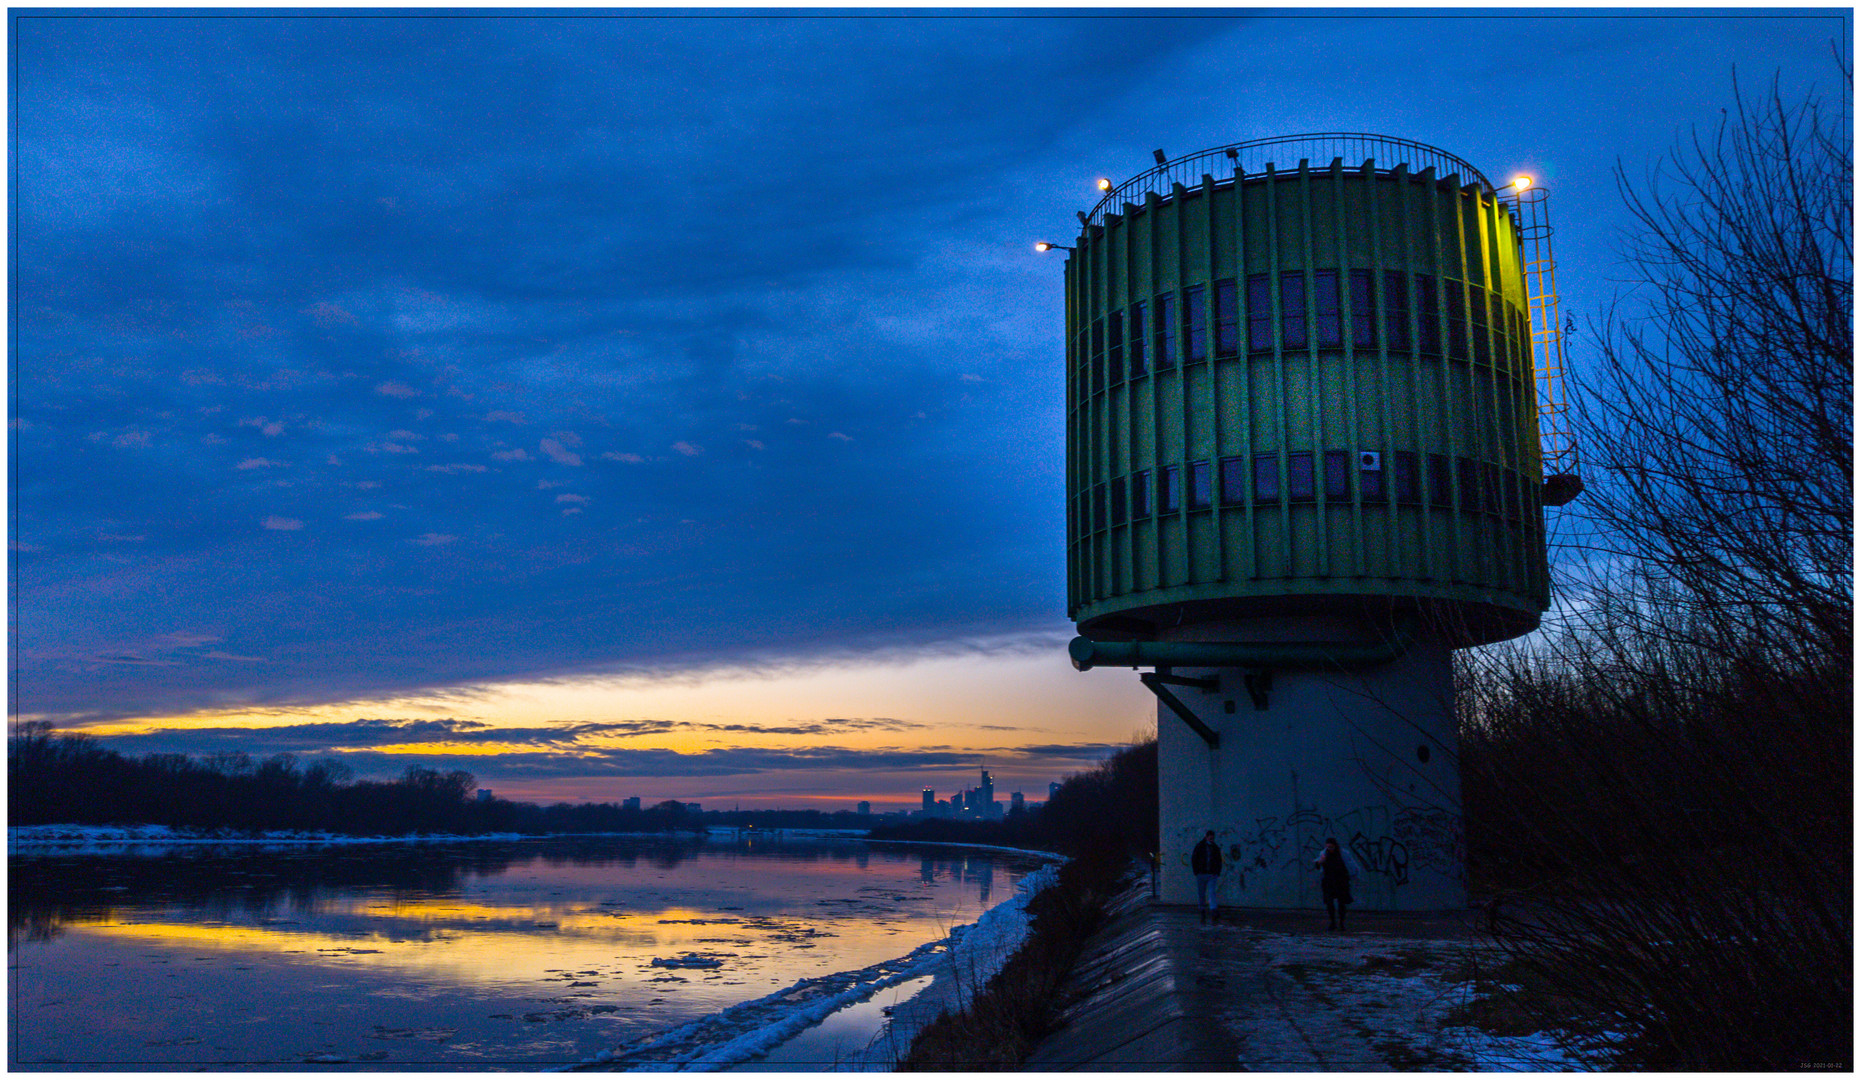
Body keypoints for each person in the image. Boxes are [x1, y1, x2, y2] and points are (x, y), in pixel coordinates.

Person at [1314, 837, 1355, 930]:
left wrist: (1350, 876)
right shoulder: (1324, 854)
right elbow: (1318, 864)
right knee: (1329, 903)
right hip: (1329, 881)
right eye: (1328, 847)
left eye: (1331, 847)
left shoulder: (1343, 854)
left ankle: (1341, 923)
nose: (1330, 849)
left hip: (1341, 881)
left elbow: (1351, 865)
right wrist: (1320, 862)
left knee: (1341, 903)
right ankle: (1333, 922)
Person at [1191, 830, 1223, 925]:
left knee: (1210, 892)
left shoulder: (1212, 847)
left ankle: (1211, 910)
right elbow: (1194, 858)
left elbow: (1218, 860)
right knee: (1203, 892)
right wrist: (1196, 871)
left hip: (1209, 873)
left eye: (1212, 838)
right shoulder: (1201, 846)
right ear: (1206, 836)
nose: (1211, 839)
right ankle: (1204, 910)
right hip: (1203, 873)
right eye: (1210, 837)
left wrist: (1217, 872)